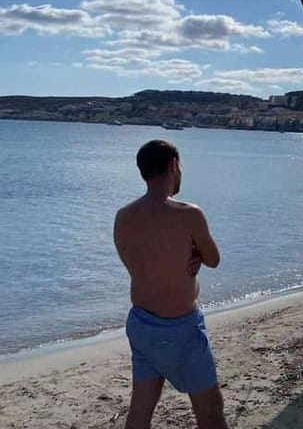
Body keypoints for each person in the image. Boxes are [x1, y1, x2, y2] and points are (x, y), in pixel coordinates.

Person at [114, 140, 229, 429]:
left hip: (141, 323)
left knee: (141, 409)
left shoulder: (124, 216)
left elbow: (141, 262)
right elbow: (214, 259)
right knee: (211, 411)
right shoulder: (188, 214)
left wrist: (188, 253)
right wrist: (196, 252)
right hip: (179, 327)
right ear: (174, 165)